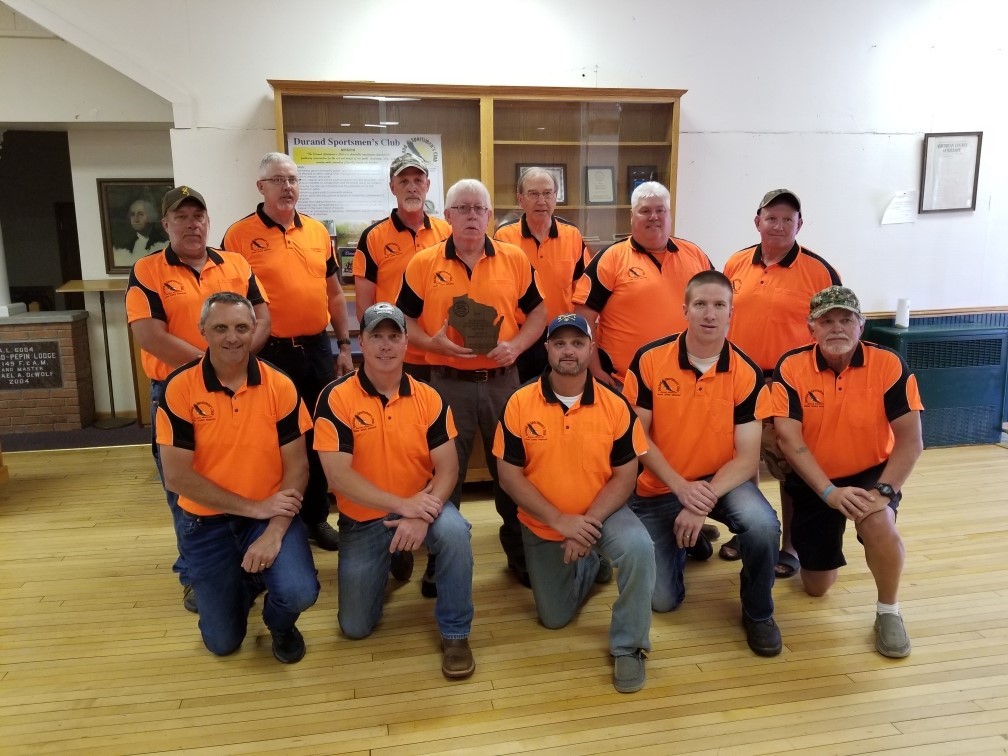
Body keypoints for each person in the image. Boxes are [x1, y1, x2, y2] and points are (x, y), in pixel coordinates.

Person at [397, 178, 548, 595]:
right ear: (446, 216)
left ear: (489, 216)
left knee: (511, 471)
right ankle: (441, 561)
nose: (471, 216)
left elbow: (539, 312)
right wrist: (432, 343)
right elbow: (404, 323)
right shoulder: (422, 263)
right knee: (445, 474)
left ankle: (520, 553)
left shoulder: (514, 258)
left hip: (504, 384)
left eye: (478, 208)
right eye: (461, 208)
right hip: (447, 385)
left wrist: (516, 346)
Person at [623, 271, 784, 657]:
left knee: (763, 525)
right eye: (700, 304)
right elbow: (637, 439)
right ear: (685, 310)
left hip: (721, 483)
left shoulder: (745, 372)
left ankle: (759, 611)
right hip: (661, 486)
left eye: (719, 305)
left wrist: (700, 501)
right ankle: (685, 545)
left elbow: (747, 459)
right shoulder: (649, 359)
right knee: (662, 601)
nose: (709, 314)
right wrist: (681, 489)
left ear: (731, 313)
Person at [126, 185, 271, 613]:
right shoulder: (148, 271)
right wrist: (212, 366)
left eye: (199, 216)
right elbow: (148, 334)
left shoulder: (236, 263)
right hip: (177, 395)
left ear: (208, 221)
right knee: (185, 486)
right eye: (182, 217)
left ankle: (247, 558)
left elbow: (261, 316)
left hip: (241, 389)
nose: (192, 224)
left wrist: (239, 358)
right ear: (166, 224)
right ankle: (193, 573)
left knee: (239, 470)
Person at [493, 313, 655, 693]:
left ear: (590, 349)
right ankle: (591, 565)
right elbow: (508, 476)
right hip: (543, 522)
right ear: (547, 348)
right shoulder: (518, 403)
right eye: (560, 343)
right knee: (554, 619)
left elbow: (626, 476)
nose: (569, 351)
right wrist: (560, 520)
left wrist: (586, 524)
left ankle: (630, 645)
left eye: (578, 343)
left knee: (639, 549)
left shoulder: (615, 405)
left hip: (603, 513)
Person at [314, 303, 476, 680]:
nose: (385, 346)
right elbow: (337, 478)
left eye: (393, 336)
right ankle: (395, 558)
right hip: (365, 518)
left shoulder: (429, 397)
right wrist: (405, 507)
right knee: (354, 627)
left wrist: (419, 513)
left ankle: (455, 634)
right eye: (376, 336)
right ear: (362, 342)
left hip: (422, 506)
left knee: (455, 533)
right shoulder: (336, 397)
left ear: (406, 343)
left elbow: (448, 467)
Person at [156, 292, 319, 663]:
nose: (233, 337)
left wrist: (274, 530)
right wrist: (254, 507)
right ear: (203, 331)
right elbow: (177, 477)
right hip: (205, 522)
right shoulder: (180, 388)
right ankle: (245, 581)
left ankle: (279, 623)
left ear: (254, 330)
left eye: (242, 327)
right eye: (221, 328)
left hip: (268, 516)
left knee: (298, 592)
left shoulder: (280, 386)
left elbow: (298, 468)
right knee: (222, 642)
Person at [769, 286, 923, 657]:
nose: (837, 328)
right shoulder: (790, 366)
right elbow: (789, 440)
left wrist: (883, 492)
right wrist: (829, 493)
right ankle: (823, 552)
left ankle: (889, 611)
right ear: (812, 328)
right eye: (827, 321)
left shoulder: (888, 365)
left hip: (872, 472)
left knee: (878, 523)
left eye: (846, 320)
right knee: (817, 587)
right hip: (815, 480)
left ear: (861, 325)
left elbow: (910, 441)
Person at [572, 180, 721, 558]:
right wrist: (595, 371)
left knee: (680, 455)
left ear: (670, 214)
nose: (654, 217)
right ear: (632, 216)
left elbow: (716, 305)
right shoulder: (611, 259)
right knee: (631, 465)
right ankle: (632, 535)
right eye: (645, 211)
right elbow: (583, 318)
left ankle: (687, 526)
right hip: (627, 385)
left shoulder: (696, 256)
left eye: (661, 210)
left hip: (689, 381)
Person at [222, 152, 354, 553]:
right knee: (273, 439)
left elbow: (333, 293)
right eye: (278, 180)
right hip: (268, 353)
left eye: (293, 179)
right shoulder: (239, 236)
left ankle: (315, 516)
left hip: (316, 348)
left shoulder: (316, 232)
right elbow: (231, 299)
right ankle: (275, 517)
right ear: (261, 187)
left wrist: (344, 343)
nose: (287, 187)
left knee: (316, 436)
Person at [718, 189, 842, 579]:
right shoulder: (735, 263)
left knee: (788, 464)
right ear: (758, 221)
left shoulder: (819, 271)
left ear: (799, 224)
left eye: (788, 219)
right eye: (771, 217)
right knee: (742, 457)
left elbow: (835, 329)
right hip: (738, 379)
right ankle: (750, 531)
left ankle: (790, 545)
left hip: (789, 382)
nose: (779, 225)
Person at [353, 153, 451, 382]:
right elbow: (364, 308)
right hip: (397, 356)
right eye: (403, 181)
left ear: (427, 185)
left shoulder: (448, 233)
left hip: (443, 354)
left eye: (418, 180)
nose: (412, 188)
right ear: (392, 187)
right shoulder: (373, 237)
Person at [494, 167, 590, 382]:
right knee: (522, 398)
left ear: (556, 197)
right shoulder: (504, 236)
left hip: (561, 333)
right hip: (520, 336)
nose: (541, 200)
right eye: (533, 194)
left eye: (547, 193)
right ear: (520, 199)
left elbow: (583, 287)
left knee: (559, 396)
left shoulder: (572, 234)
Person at [113, 198, 168, 265]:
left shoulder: (164, 242)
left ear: (151, 216)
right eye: (132, 214)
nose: (136, 219)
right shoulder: (125, 245)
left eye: (141, 214)